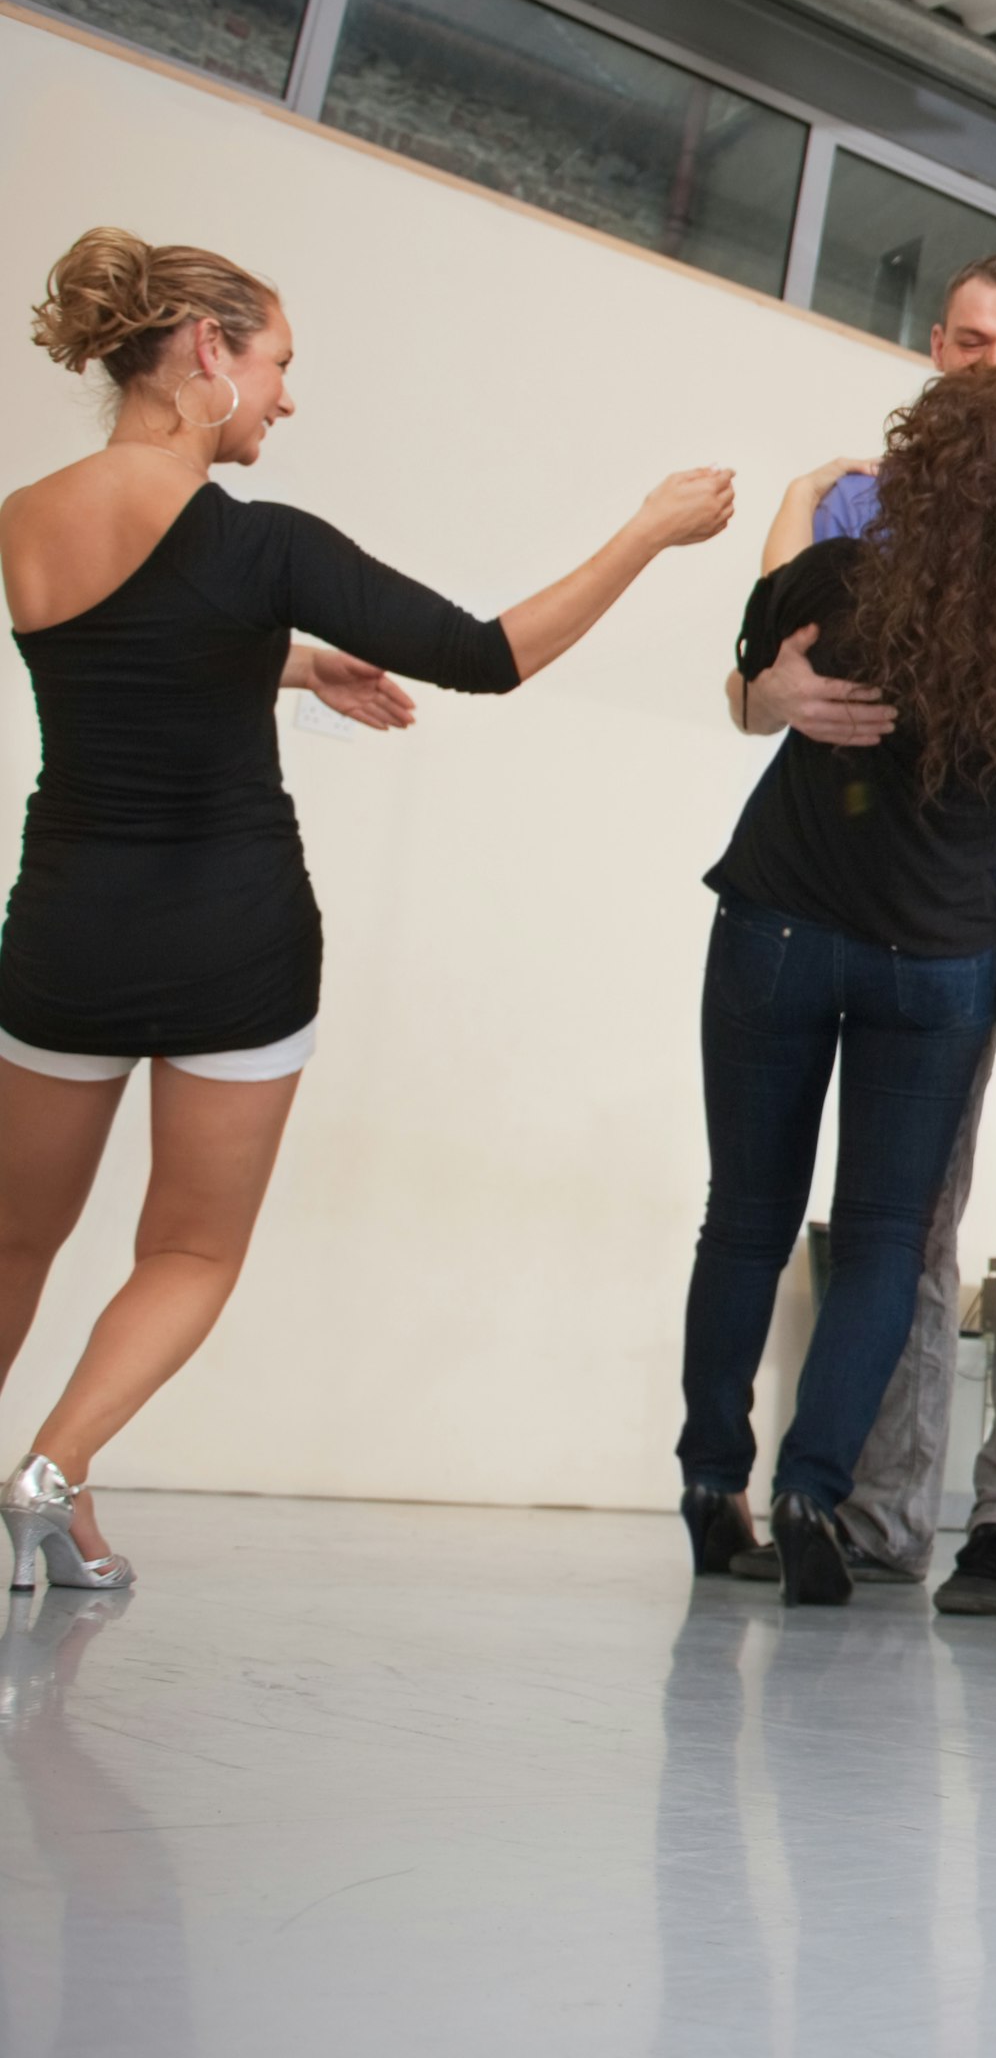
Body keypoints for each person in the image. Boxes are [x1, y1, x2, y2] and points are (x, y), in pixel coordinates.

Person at [1, 229, 730, 1595]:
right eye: (278, 363)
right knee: (190, 1249)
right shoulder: (263, 543)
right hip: (233, 934)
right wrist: (649, 530)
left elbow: (132, 652)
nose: (286, 397)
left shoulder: (27, 517)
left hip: (65, 928)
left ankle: (62, 1495)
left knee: (13, 1237)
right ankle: (48, 1470)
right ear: (208, 353)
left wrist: (284, 668)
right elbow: (486, 656)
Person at [682, 363, 996, 1606]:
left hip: (788, 925)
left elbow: (757, 622)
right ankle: (822, 1488)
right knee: (898, 1231)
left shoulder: (842, 581)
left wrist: (798, 491)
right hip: (933, 951)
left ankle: (716, 1477)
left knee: (755, 1213)